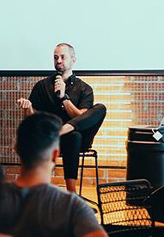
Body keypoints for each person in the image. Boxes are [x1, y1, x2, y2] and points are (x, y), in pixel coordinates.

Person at [17, 43, 107, 193]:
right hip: (52, 140)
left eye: (62, 57)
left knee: (100, 109)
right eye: (55, 57)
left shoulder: (85, 88)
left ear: (73, 60)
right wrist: (28, 108)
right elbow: (32, 121)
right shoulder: (42, 86)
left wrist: (64, 98)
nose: (58, 60)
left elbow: (83, 117)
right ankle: (72, 193)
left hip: (80, 140)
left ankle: (60, 130)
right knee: (74, 135)